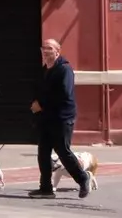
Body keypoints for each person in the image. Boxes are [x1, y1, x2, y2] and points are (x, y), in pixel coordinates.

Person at [30, 38, 90, 198]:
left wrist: (41, 104)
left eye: (49, 48)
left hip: (62, 118)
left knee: (63, 151)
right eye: (43, 48)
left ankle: (83, 178)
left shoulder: (64, 69)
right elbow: (40, 91)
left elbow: (64, 93)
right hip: (46, 118)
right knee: (43, 153)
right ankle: (46, 188)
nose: (45, 51)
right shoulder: (45, 70)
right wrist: (35, 103)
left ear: (58, 51)